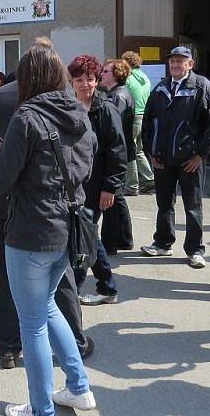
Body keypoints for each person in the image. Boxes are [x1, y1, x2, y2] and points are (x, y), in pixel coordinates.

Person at [0, 40, 97, 416]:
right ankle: (78, 387)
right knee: (48, 307)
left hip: (29, 234)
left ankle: (42, 409)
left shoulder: (27, 118)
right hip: (66, 232)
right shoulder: (79, 115)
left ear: (28, 79)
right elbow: (83, 169)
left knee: (33, 325)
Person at [141, 46, 210, 269]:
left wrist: (200, 156)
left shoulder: (202, 87)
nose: (175, 65)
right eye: (172, 61)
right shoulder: (161, 87)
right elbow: (148, 122)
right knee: (164, 204)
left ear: (190, 64)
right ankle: (163, 243)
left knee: (192, 206)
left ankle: (195, 250)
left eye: (180, 61)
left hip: (189, 161)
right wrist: (151, 152)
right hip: (163, 159)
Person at [68, 54, 127, 305]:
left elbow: (118, 151)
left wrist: (110, 187)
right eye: (79, 80)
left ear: (97, 80)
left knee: (85, 234)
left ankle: (78, 288)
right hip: (74, 185)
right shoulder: (68, 107)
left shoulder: (106, 109)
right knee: (88, 234)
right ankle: (106, 286)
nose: (85, 85)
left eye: (90, 79)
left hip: (97, 185)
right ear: (71, 82)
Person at [99, 58, 135, 253]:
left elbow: (113, 128)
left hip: (117, 154)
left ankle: (112, 242)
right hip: (121, 152)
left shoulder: (118, 96)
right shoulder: (114, 94)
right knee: (118, 197)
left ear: (117, 74)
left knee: (113, 197)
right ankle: (123, 239)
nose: (102, 74)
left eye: (106, 71)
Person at [123, 50, 154, 196]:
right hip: (144, 116)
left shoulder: (128, 78)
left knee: (130, 150)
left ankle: (131, 185)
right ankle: (149, 180)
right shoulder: (144, 77)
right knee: (139, 150)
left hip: (133, 116)